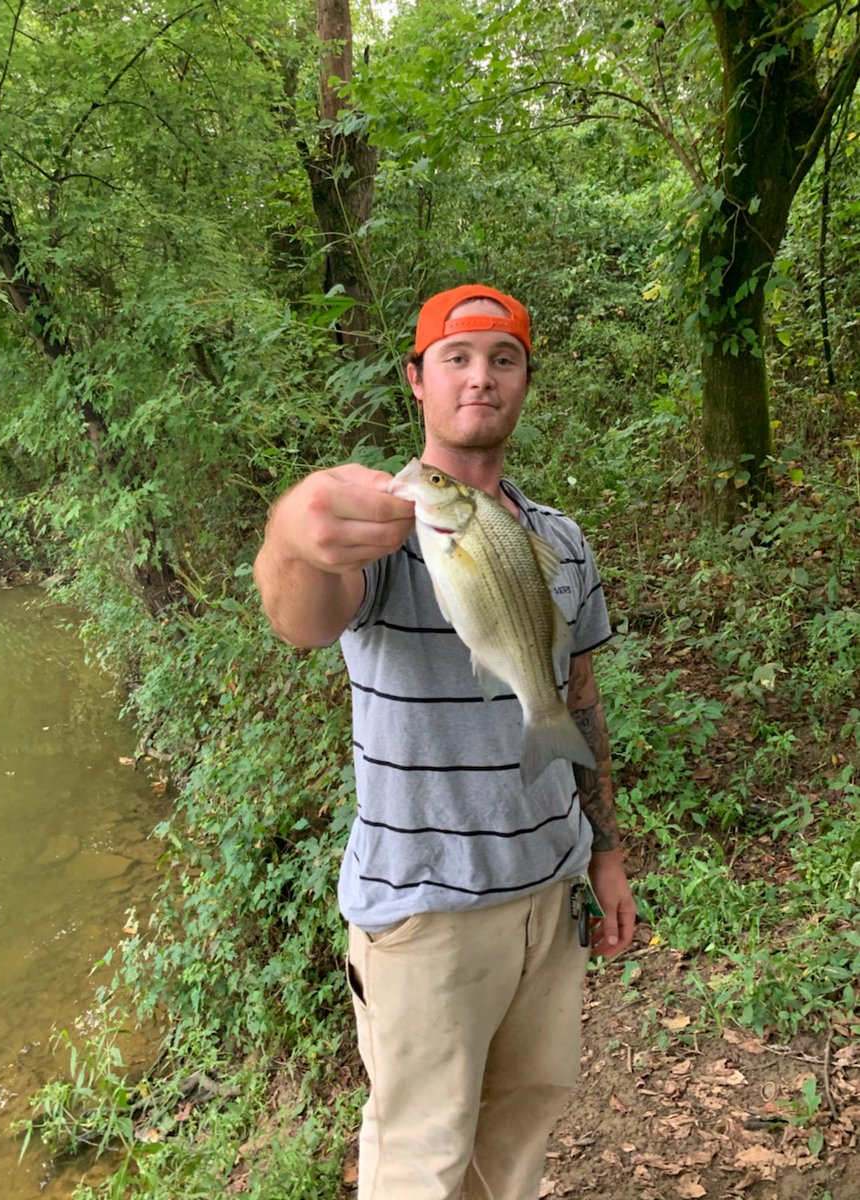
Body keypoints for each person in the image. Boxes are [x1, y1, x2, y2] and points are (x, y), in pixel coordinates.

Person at [254, 284, 636, 1200]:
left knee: (519, 1135)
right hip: (424, 915)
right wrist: (293, 536)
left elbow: (577, 697)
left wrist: (608, 854)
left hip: (548, 894)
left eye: (503, 359)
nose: (481, 378)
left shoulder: (560, 541)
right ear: (416, 380)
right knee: (422, 1163)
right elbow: (300, 616)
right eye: (457, 358)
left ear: (526, 383)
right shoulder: (383, 527)